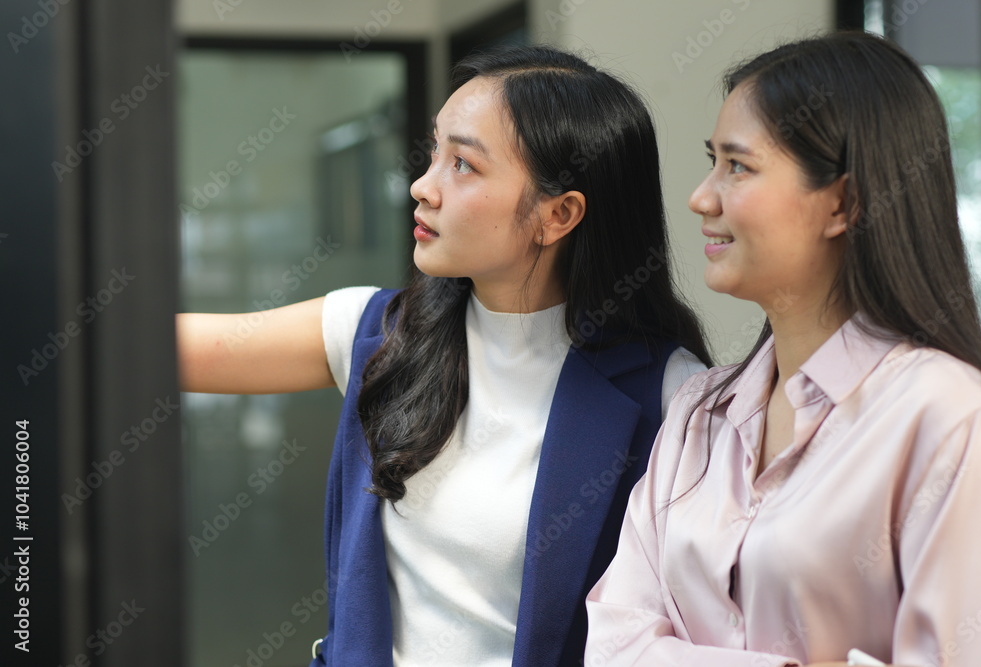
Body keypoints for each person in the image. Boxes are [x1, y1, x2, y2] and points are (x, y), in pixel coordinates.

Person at [177, 45, 712, 666]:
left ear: (558, 214)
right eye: (435, 152)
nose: (422, 186)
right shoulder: (377, 333)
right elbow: (159, 352)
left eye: (462, 164)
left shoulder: (671, 397)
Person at [584, 32, 981, 667]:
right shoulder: (697, 412)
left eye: (738, 166)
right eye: (713, 161)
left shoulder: (947, 414)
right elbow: (614, 647)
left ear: (843, 203)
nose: (701, 197)